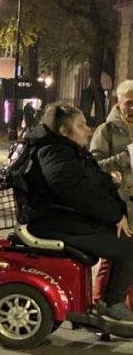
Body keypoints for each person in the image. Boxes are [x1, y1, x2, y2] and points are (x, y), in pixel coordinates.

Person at [23, 103, 133, 322]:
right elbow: (78, 191)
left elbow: (91, 180)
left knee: (121, 241)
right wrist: (114, 215)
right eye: (81, 125)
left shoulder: (65, 149)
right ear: (64, 131)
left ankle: (105, 302)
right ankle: (113, 304)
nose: (88, 130)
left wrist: (112, 194)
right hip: (54, 221)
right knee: (128, 246)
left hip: (62, 217)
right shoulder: (54, 152)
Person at [89, 80, 133, 306]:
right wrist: (123, 160)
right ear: (118, 102)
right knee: (113, 259)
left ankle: (121, 309)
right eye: (130, 103)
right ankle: (101, 306)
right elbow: (93, 166)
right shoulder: (105, 130)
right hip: (118, 206)